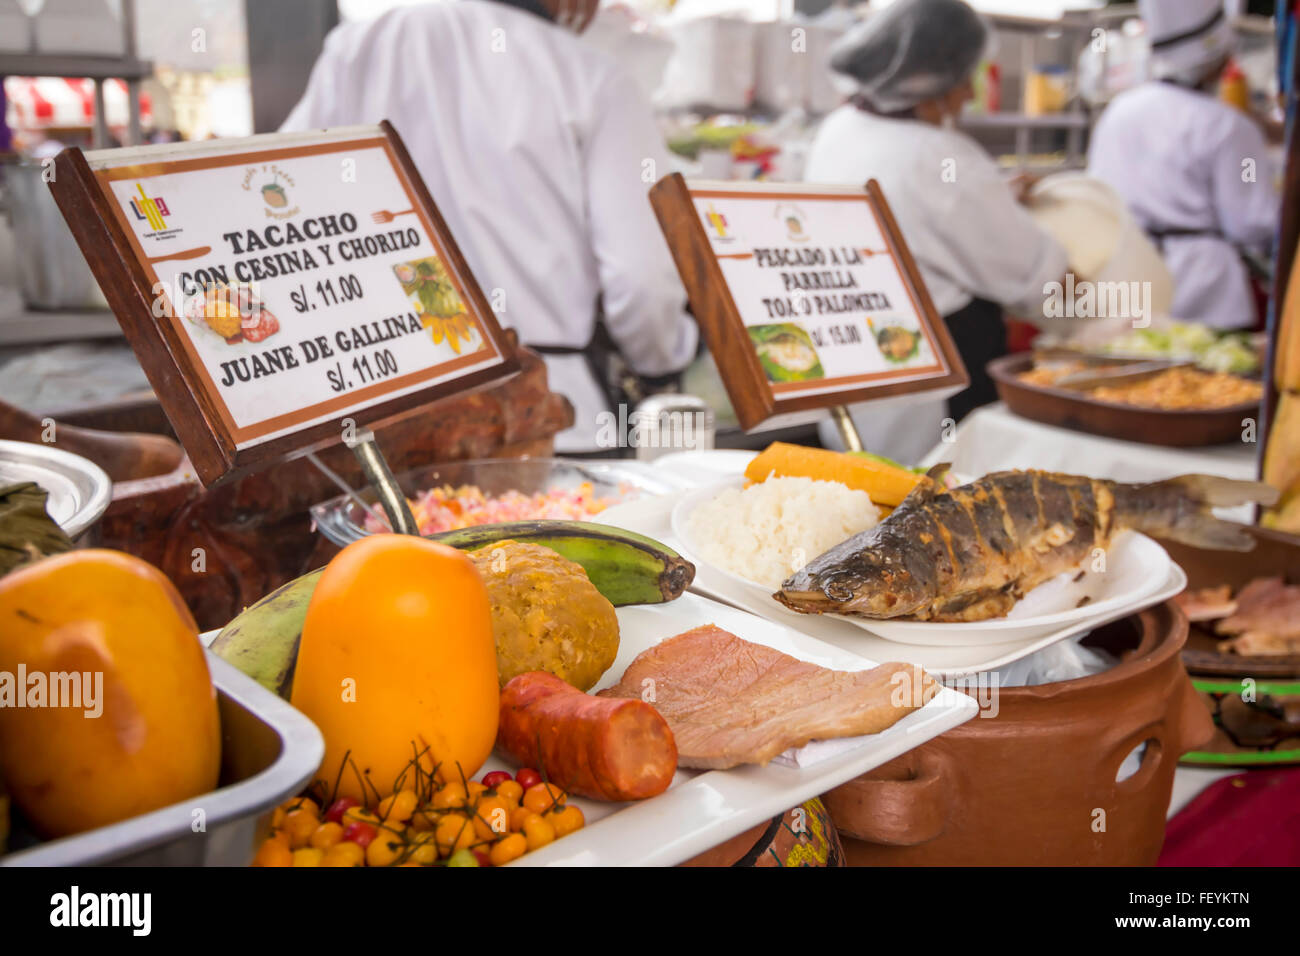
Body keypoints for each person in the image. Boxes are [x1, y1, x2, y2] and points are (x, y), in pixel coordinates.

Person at [281, 0, 697, 452]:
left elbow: (284, 205)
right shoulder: (592, 76)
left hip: (388, 431)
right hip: (550, 426)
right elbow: (643, 281)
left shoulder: (360, 47)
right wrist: (661, 368)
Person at [805, 0, 1068, 463]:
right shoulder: (943, 157)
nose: (967, 93)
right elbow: (1041, 285)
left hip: (851, 380)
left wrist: (994, 196)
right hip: (934, 399)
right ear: (926, 82)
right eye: (962, 77)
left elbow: (911, 210)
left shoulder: (841, 127)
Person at [1088, 0, 1280, 330]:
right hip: (1203, 291)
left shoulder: (1119, 111)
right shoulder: (1231, 126)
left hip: (1127, 277)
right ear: (1219, 59)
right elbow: (1249, 222)